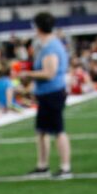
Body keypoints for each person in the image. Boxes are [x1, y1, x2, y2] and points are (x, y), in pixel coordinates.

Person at [19, 12, 72, 178]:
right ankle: (42, 166)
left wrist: (28, 74)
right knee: (42, 131)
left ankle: (65, 167)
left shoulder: (51, 47)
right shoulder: (46, 44)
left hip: (52, 92)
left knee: (58, 130)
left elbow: (50, 73)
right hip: (46, 92)